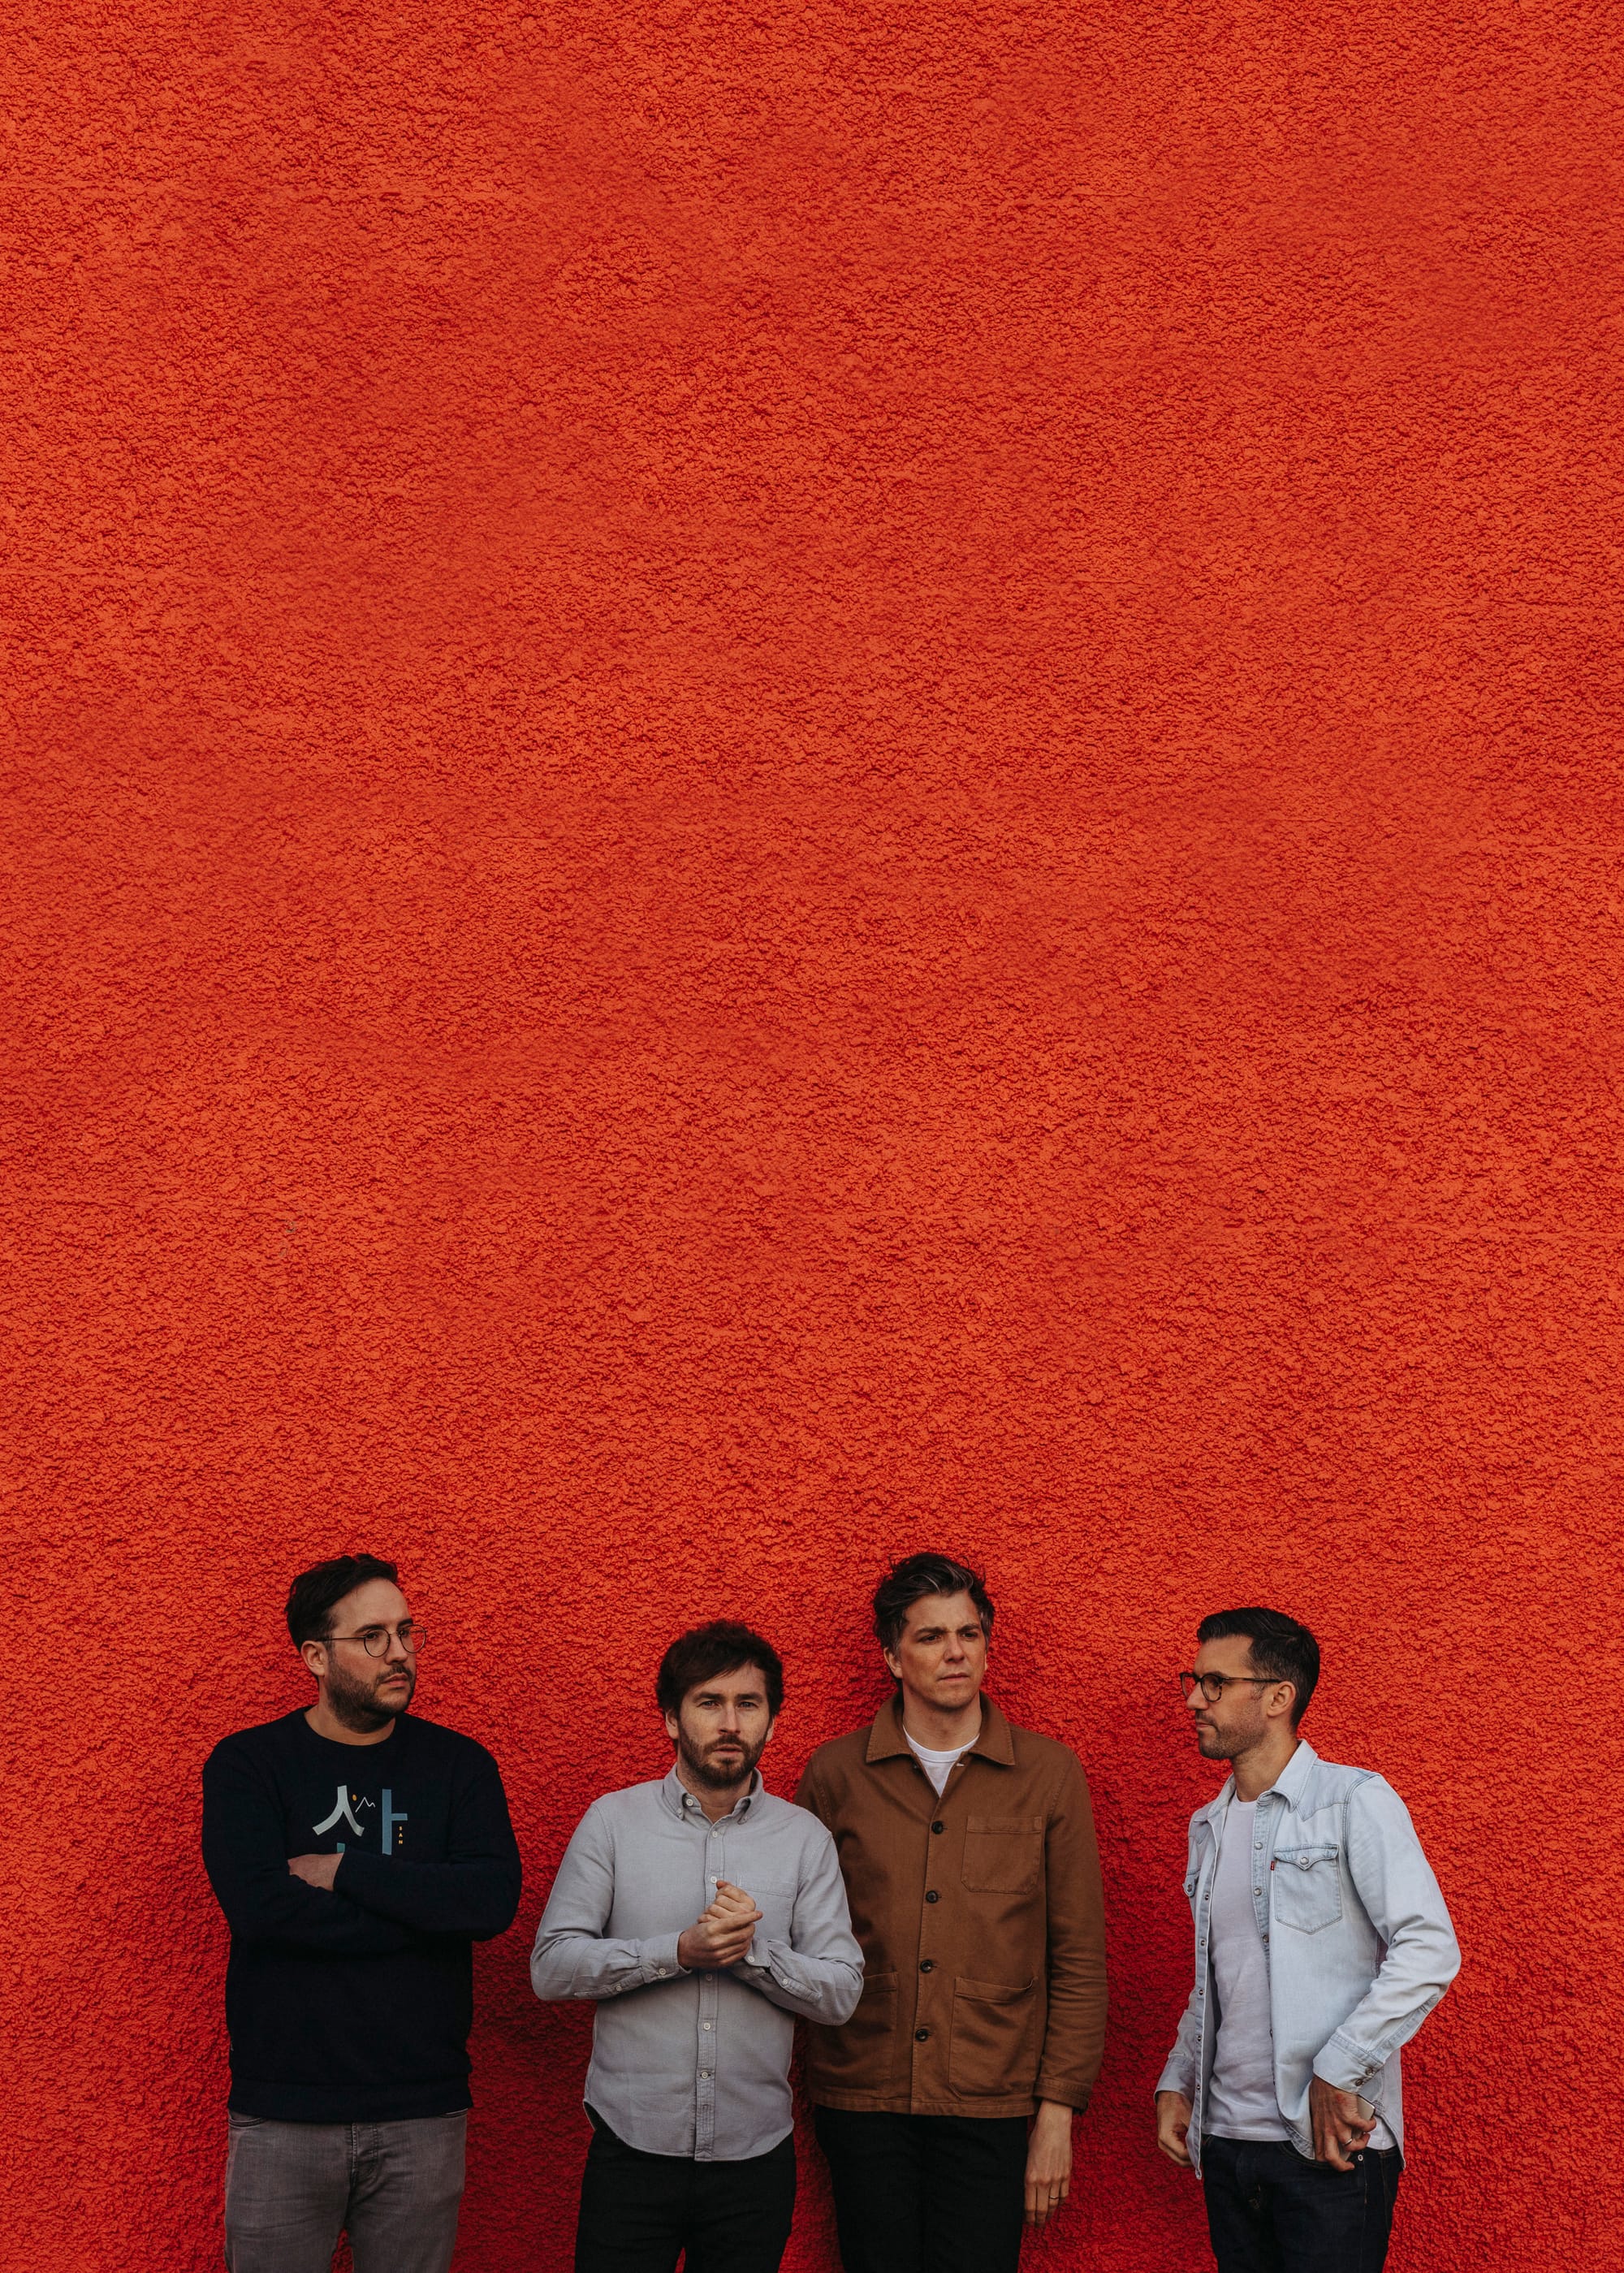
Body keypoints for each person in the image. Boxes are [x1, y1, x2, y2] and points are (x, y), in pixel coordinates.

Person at [201, 1554, 521, 2273]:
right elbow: (261, 1910)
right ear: (315, 1655)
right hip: (283, 2110)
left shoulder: (459, 1766)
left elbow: (490, 1900)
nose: (400, 1651)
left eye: (408, 1631)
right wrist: (424, 1911)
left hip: (422, 2111)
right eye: (373, 1636)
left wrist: (345, 1869)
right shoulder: (249, 1765)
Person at [794, 1553, 1108, 2273]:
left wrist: (1056, 2111)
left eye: (969, 1632)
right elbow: (799, 1940)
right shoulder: (835, 1774)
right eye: (931, 1636)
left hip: (991, 2100)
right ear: (892, 1656)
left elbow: (1079, 1958)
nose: (956, 1651)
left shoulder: (1048, 1774)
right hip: (862, 2093)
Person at [530, 1620, 862, 2273]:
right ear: (671, 1720)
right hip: (631, 2152)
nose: (730, 1721)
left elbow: (842, 1992)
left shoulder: (805, 1839)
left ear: (772, 1719)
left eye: (749, 1703)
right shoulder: (613, 1823)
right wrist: (678, 1951)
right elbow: (551, 1966)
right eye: (709, 1702)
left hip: (754, 2159)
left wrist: (751, 1952)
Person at [1155, 1606, 1461, 2273]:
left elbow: (1429, 1946)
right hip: (1229, 2142)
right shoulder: (1206, 1826)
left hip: (1328, 2145)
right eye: (1193, 1679)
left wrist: (1339, 2064)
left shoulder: (1353, 1800)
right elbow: (1217, 1973)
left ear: (1276, 1696)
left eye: (1214, 1682)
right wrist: (1179, 2079)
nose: (1193, 1698)